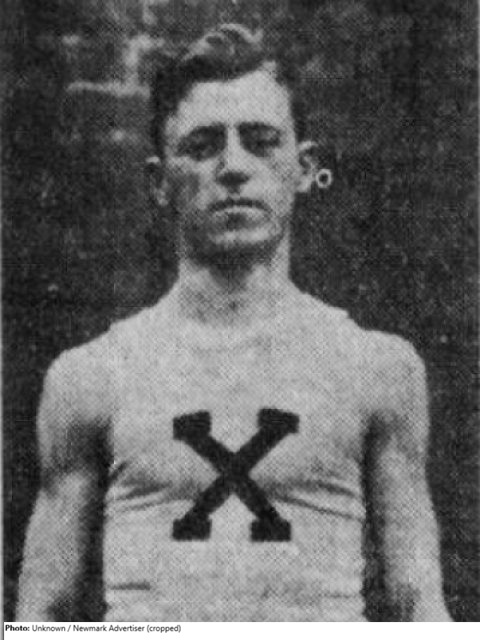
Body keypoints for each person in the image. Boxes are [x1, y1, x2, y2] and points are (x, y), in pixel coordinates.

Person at [17, 23, 451, 622]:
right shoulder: (91, 377)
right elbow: (41, 614)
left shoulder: (376, 368)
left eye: (260, 141)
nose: (233, 167)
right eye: (202, 146)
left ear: (304, 168)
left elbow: (420, 606)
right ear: (159, 181)